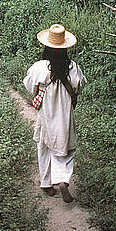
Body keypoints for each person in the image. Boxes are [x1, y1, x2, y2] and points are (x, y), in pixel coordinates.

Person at [23, 24, 87, 203]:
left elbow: (29, 85)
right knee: (65, 146)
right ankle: (63, 178)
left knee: (45, 145)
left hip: (47, 112)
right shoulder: (73, 67)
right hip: (64, 113)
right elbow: (79, 85)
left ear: (47, 46)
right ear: (65, 47)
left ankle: (46, 183)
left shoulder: (40, 67)